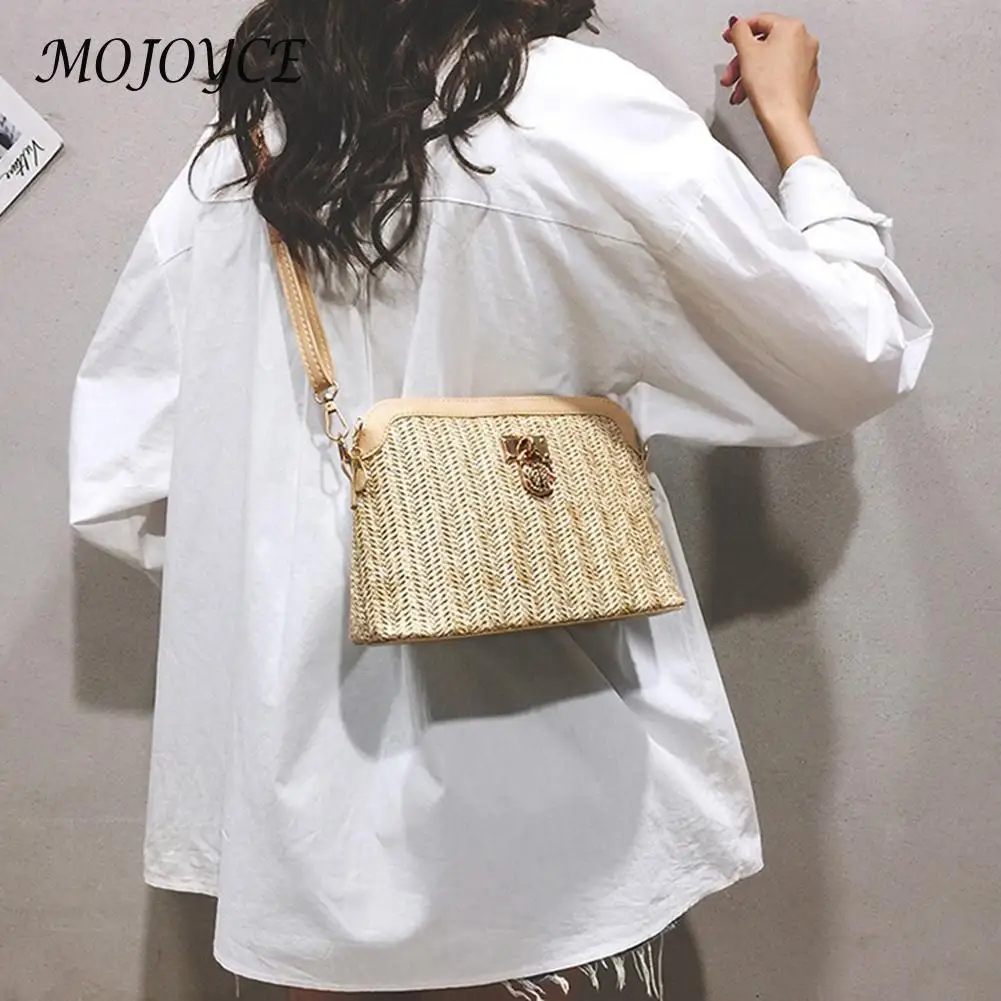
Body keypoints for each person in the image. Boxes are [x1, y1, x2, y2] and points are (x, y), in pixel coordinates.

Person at [68, 3, 934, 1000]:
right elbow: (851, 354)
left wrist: (298, 577)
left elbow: (127, 476)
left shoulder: (231, 163)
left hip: (306, 834)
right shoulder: (573, 111)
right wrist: (792, 132)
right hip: (559, 816)